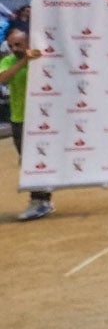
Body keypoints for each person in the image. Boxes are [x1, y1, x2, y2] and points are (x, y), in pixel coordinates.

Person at [1, 31, 53, 220]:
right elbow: (2, 78)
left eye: (18, 45)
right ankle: (42, 199)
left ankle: (40, 200)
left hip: (43, 119)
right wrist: (24, 61)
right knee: (26, 161)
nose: (14, 49)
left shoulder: (43, 60)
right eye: (11, 46)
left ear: (28, 43)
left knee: (35, 161)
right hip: (19, 119)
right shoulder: (8, 61)